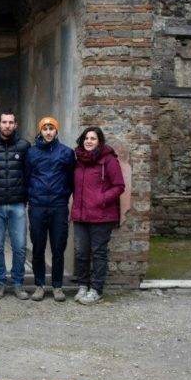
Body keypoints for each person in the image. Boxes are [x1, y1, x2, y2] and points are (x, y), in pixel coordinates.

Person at [72, 126, 125, 305]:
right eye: (86, 138)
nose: (89, 141)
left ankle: (96, 289)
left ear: (99, 141)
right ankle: (82, 285)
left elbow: (119, 186)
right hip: (80, 215)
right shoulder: (78, 160)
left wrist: (101, 198)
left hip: (102, 216)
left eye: (93, 138)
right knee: (81, 253)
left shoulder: (108, 160)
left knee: (99, 253)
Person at [25, 117, 76, 302]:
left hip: (58, 206)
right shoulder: (31, 153)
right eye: (45, 128)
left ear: (56, 131)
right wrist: (32, 196)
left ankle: (57, 286)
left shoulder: (67, 153)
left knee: (58, 248)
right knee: (38, 247)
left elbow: (71, 179)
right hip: (37, 206)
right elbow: (27, 177)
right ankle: (39, 285)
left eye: (51, 128)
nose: (48, 132)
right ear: (40, 131)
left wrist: (63, 195)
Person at [0, 110, 31, 300]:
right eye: (4, 122)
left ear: (16, 125)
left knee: (19, 246)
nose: (7, 126)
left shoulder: (24, 146)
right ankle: (0, 281)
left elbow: (29, 173)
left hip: (17, 204)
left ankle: (18, 282)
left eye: (11, 122)